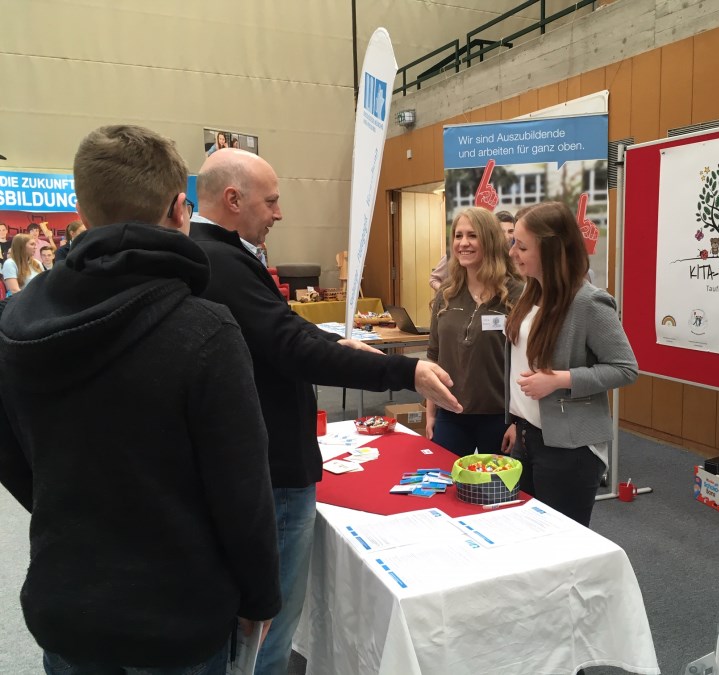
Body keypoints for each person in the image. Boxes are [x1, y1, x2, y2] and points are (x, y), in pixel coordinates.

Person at [0, 124, 281, 673]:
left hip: (68, 602)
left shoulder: (16, 322)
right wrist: (261, 597)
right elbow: (242, 490)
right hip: (178, 617)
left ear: (82, 207)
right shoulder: (204, 329)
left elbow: (12, 456)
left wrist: (73, 511)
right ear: (181, 210)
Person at [190, 147, 462, 675]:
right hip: (272, 467)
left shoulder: (214, 255)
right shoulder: (222, 261)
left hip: (252, 457)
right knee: (268, 625)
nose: (279, 212)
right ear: (232, 199)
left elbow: (276, 328)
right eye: (270, 201)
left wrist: (334, 342)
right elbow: (286, 344)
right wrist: (402, 371)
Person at [500, 202, 637, 526]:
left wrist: (559, 379)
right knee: (528, 535)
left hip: (569, 448)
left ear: (551, 250)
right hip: (526, 437)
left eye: (521, 246)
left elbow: (625, 368)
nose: (513, 253)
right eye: (512, 244)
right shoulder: (529, 293)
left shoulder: (589, 302)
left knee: (561, 544)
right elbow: (518, 363)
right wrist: (514, 420)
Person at [426, 207, 523, 456]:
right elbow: (434, 358)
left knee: (497, 491)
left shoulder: (517, 295)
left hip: (500, 416)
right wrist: (430, 412)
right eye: (458, 236)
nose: (463, 243)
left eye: (472, 235)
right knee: (446, 486)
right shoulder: (446, 295)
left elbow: (528, 363)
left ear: (489, 240)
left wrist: (518, 421)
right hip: (450, 412)